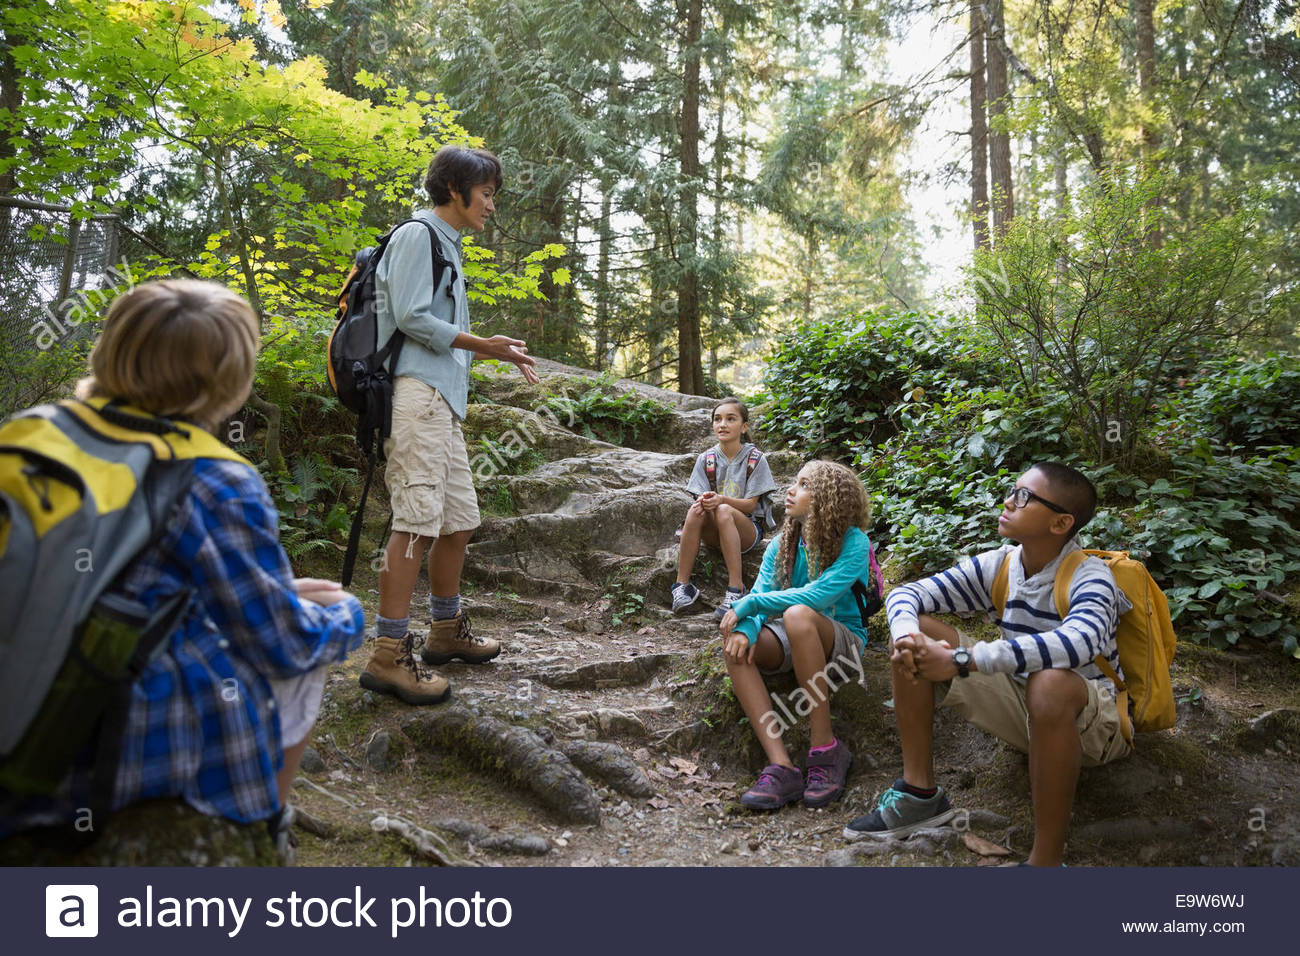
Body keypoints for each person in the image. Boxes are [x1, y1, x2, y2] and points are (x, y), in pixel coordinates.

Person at [0, 279, 365, 840]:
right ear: (230, 383)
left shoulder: (30, 432)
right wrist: (349, 615)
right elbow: (284, 643)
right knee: (315, 630)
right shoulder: (214, 477)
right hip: (84, 754)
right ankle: (265, 829)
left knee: (289, 596)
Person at [843, 461, 1131, 867]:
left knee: (1049, 682)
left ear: (1060, 523)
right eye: (1013, 490)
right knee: (913, 636)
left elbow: (1077, 645)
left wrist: (963, 659)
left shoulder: (1091, 576)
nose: (1008, 501)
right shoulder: (1002, 564)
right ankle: (919, 794)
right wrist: (910, 636)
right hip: (1024, 701)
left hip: (1093, 724)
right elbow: (908, 595)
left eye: (1025, 497)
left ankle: (1045, 862)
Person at [359, 145, 540, 706]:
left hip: (443, 403)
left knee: (457, 521)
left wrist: (488, 350)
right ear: (457, 190)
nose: (490, 206)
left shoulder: (449, 247)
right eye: (486, 194)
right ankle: (388, 654)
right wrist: (477, 343)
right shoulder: (418, 234)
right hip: (416, 400)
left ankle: (443, 630)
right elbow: (411, 317)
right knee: (413, 523)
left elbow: (431, 328)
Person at [719, 460, 875, 810]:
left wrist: (751, 604)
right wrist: (744, 629)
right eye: (795, 482)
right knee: (737, 645)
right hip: (795, 635)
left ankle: (825, 748)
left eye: (804, 485)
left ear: (828, 499)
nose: (791, 489)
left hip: (842, 642)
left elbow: (819, 597)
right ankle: (782, 765)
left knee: (798, 613)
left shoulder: (855, 542)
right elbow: (760, 594)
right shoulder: (783, 543)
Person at [670, 397, 777, 619]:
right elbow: (701, 497)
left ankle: (736, 589)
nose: (723, 424)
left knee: (724, 510)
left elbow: (750, 505)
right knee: (696, 509)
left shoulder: (755, 459)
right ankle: (682, 586)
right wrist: (707, 500)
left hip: (746, 532)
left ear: (744, 426)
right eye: (717, 419)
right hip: (715, 532)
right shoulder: (706, 459)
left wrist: (721, 500)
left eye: (730, 419)